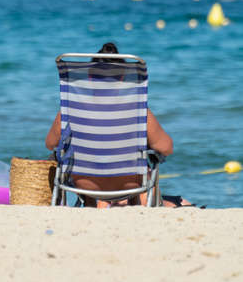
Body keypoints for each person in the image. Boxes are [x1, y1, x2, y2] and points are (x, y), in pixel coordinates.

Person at [46, 43, 190, 207]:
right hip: (129, 184)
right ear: (123, 78)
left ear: (89, 77)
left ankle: (94, 205)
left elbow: (50, 143)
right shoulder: (137, 110)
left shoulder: (72, 108)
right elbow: (166, 148)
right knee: (148, 166)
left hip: (84, 183)